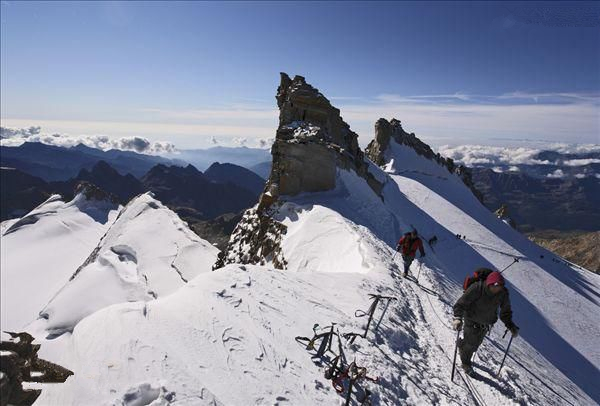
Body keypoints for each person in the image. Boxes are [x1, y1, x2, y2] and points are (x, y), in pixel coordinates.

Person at [452, 270, 519, 376]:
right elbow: (461, 304)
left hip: (486, 323)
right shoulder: (477, 288)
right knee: (471, 344)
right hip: (471, 319)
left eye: (500, 286)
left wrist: (510, 325)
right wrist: (458, 318)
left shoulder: (503, 294)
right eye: (494, 285)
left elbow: (505, 312)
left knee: (475, 345)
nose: (497, 288)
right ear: (489, 283)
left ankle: (461, 345)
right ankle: (466, 364)